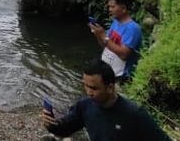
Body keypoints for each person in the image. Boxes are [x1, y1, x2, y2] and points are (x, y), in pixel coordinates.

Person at [42, 59, 170, 141]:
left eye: (93, 88)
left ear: (110, 87)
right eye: (85, 86)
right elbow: (65, 128)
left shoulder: (134, 114)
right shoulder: (85, 106)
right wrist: (51, 124)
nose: (88, 92)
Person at [90, 0, 143, 81]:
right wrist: (98, 35)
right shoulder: (116, 22)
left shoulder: (133, 29)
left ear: (123, 8)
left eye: (113, 7)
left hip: (120, 77)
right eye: (109, 7)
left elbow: (123, 54)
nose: (110, 9)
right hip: (107, 71)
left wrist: (103, 36)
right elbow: (105, 45)